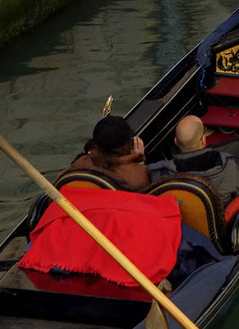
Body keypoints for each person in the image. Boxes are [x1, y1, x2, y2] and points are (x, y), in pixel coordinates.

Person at [18, 113, 182, 287]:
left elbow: (100, 162)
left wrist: (125, 159)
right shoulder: (139, 175)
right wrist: (139, 160)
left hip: (75, 239)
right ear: (128, 145)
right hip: (117, 236)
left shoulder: (80, 164)